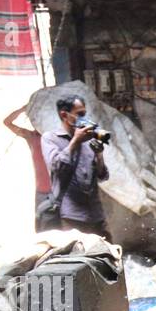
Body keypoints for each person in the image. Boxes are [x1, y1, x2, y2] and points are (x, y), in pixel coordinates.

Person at [40, 95, 111, 239]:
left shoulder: (88, 139)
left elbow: (103, 176)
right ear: (64, 115)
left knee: (107, 256)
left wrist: (99, 155)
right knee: (78, 258)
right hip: (71, 216)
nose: (83, 118)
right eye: (80, 114)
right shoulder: (50, 138)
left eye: (84, 114)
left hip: (96, 215)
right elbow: (57, 166)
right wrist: (75, 141)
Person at [2, 104, 52, 232]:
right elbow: (7, 122)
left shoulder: (56, 136)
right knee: (42, 230)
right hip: (42, 191)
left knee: (59, 230)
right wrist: (24, 108)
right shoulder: (31, 137)